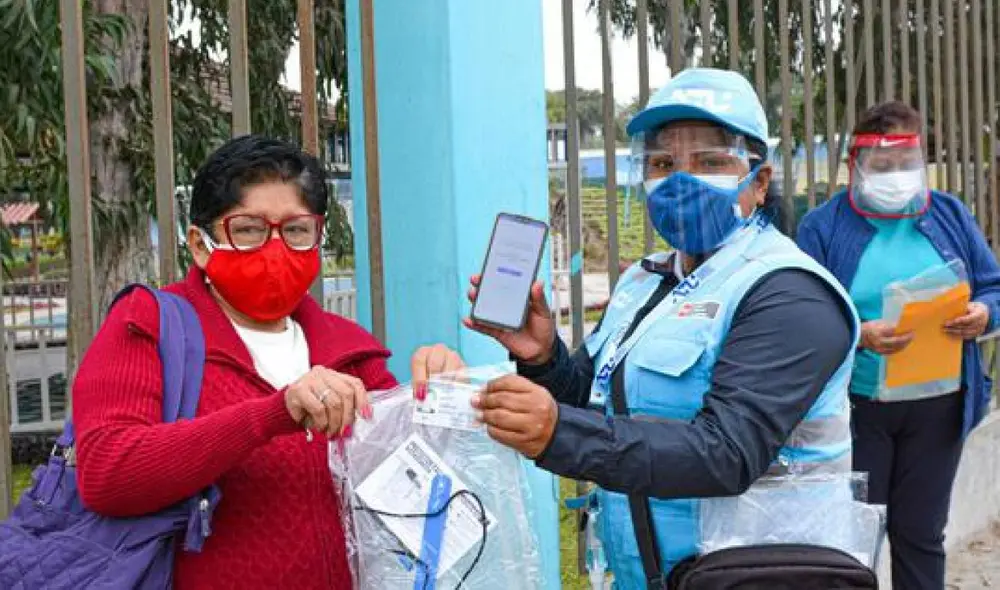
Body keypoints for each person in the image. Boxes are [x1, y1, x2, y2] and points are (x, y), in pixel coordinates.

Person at [414, 68, 861, 587]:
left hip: (760, 575)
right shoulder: (644, 282)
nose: (681, 179)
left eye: (711, 162)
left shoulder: (790, 293)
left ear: (759, 183)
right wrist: (543, 358)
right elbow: (596, 401)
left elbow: (728, 453)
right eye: (663, 163)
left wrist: (557, 432)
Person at [72, 135, 461, 589]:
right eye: (250, 229)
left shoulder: (352, 351)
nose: (275, 248)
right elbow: (108, 474)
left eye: (296, 230)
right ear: (200, 244)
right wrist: (274, 414)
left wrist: (441, 405)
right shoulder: (149, 326)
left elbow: (416, 494)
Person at [796, 101, 1000, 590]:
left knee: (922, 533)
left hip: (940, 409)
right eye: (881, 166)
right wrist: (858, 334)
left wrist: (984, 313)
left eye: (906, 164)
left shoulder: (948, 214)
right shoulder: (821, 228)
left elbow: (993, 286)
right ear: (855, 164)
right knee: (854, 537)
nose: (895, 175)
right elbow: (801, 314)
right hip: (858, 411)